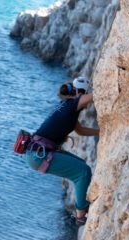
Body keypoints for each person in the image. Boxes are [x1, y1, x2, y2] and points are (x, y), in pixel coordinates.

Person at [25, 76, 99, 226]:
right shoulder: (72, 104)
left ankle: (81, 203)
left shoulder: (66, 106)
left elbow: (81, 130)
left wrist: (102, 131)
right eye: (84, 92)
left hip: (37, 152)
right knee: (82, 172)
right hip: (40, 154)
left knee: (80, 165)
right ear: (80, 93)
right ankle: (81, 215)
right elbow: (96, 95)